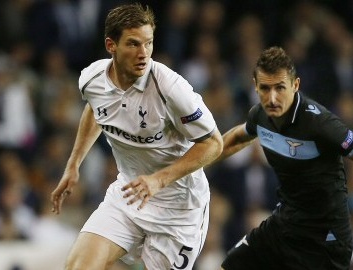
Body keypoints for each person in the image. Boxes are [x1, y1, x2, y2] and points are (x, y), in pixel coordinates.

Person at [50, 3, 223, 270]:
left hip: (179, 211)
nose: (144, 54)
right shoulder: (92, 79)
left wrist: (158, 180)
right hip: (130, 195)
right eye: (133, 44)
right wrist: (73, 165)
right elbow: (95, 109)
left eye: (148, 43)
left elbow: (213, 143)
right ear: (111, 46)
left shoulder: (170, 88)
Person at [214, 46, 353, 269]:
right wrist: (195, 164)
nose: (272, 98)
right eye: (265, 88)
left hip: (325, 240)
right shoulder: (260, 116)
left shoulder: (319, 124)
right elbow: (237, 137)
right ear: (256, 87)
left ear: (295, 85)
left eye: (280, 88)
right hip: (285, 225)